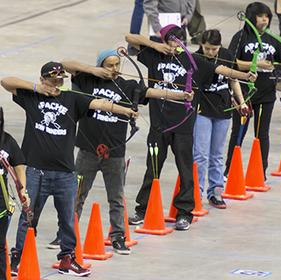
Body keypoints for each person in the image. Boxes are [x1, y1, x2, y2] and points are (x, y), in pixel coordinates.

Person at [1, 61, 139, 277]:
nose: (57, 84)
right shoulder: (31, 96)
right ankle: (18, 257)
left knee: (68, 218)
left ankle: (67, 259)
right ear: (42, 79)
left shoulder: (72, 98)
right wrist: (37, 89)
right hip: (37, 171)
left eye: (60, 80)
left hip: (66, 172)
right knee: (28, 217)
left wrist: (127, 111)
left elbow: (101, 104)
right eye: (53, 80)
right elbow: (5, 82)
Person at [60, 48, 194, 254]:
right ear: (101, 65)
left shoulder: (127, 86)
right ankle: (67, 236)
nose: (114, 69)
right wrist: (95, 72)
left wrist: (181, 95)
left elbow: (154, 92)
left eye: (116, 65)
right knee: (77, 196)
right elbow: (65, 64)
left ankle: (118, 237)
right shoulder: (88, 81)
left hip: (114, 152)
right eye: (109, 65)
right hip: (88, 150)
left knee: (116, 198)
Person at [125, 24, 257, 230]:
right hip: (159, 125)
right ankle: (142, 210)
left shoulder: (193, 60)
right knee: (152, 169)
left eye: (179, 43)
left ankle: (184, 213)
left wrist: (244, 75)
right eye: (171, 43)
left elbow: (221, 70)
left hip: (183, 126)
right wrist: (156, 46)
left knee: (186, 170)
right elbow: (130, 37)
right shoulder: (154, 56)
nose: (174, 48)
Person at [224, 2, 281, 181]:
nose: (264, 19)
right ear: (251, 17)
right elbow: (231, 62)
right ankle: (229, 170)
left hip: (266, 93)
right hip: (243, 93)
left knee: (262, 134)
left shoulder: (273, 38)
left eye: (267, 16)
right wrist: (256, 64)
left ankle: (260, 171)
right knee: (238, 132)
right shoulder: (241, 36)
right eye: (260, 16)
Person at [193, 29, 248, 209]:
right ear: (201, 45)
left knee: (216, 154)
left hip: (223, 108)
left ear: (220, 46)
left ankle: (215, 192)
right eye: (207, 48)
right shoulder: (195, 58)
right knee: (200, 155)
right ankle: (196, 194)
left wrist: (242, 102)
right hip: (202, 109)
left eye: (214, 49)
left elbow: (233, 79)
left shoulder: (226, 55)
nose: (210, 52)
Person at [0, 107, 29, 280]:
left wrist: (22, 192)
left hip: (1, 204)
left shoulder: (7, 141)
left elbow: (19, 168)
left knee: (0, 247)